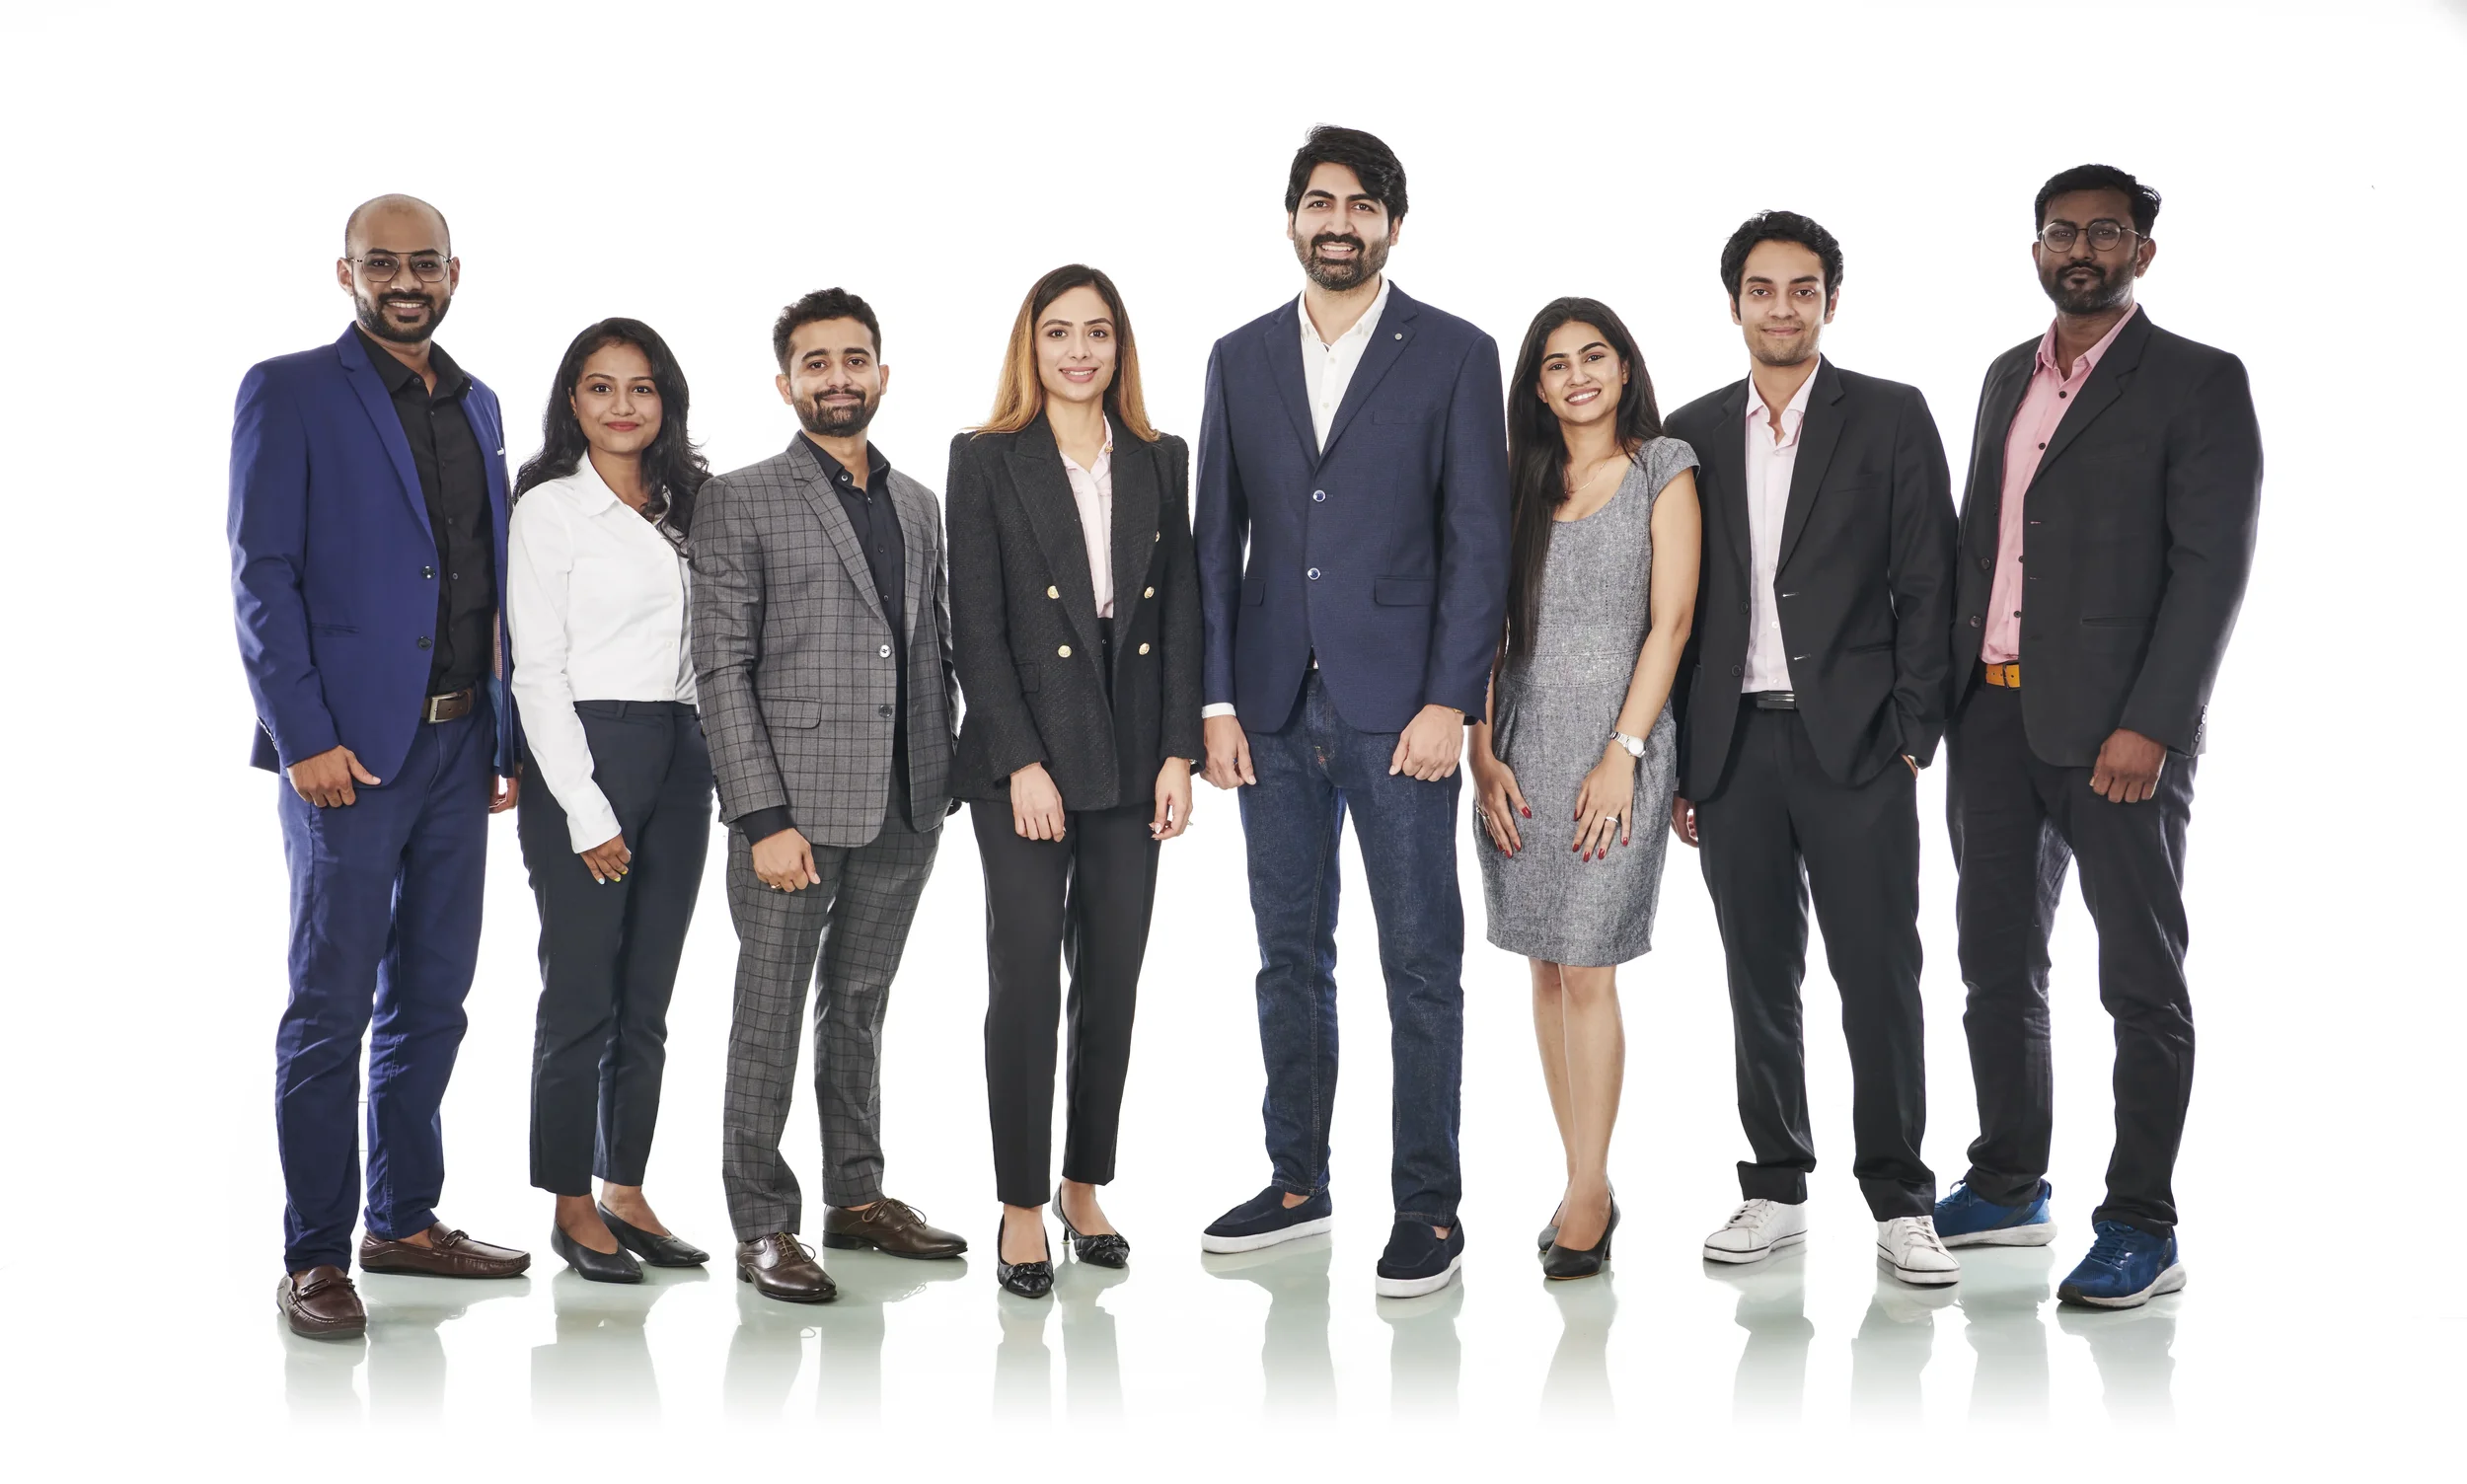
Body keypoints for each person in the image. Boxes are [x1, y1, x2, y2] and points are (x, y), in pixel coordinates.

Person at [1931, 166, 2261, 1308]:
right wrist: (1944, 698)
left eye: (2104, 232)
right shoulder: (1997, 379)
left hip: (2117, 736)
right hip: (1992, 716)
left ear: (2142, 253)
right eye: (2060, 232)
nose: (2080, 248)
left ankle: (2140, 1222)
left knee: (2139, 980)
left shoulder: (2197, 382)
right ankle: (2012, 1180)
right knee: (1992, 963)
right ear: (2034, 249)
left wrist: (2153, 724)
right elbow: (1982, 543)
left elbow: (2209, 569)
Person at [1193, 125, 1511, 1299]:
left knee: (1420, 962)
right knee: (1288, 955)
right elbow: (1212, 542)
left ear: (1391, 223)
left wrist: (1449, 703)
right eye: (1319, 202)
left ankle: (1427, 1205)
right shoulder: (1237, 356)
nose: (1340, 221)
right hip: (1269, 707)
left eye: (1362, 205)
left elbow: (1480, 542)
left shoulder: (1455, 353)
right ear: (1290, 219)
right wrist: (1216, 700)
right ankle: (1296, 1181)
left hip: (1401, 715)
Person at [232, 193, 531, 1340]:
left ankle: (403, 1218)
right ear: (345, 271)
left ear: (454, 271)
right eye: (381, 263)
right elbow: (263, 575)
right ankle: (313, 1254)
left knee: (435, 996)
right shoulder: (292, 388)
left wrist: (498, 735)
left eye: (423, 263)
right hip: (347, 757)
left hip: (460, 746)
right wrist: (302, 735)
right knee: (330, 1003)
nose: (404, 280)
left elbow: (482, 579)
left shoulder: (481, 402)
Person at [1664, 212, 1962, 1286]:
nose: (1780, 308)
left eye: (1801, 290)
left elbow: (1932, 580)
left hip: (1858, 749)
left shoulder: (1887, 417)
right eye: (1760, 289)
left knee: (1878, 973)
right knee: (1757, 976)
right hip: (1734, 749)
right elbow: (1673, 608)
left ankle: (1899, 1199)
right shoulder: (1687, 431)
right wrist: (1687, 762)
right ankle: (1774, 1186)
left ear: (1831, 301)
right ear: (1733, 301)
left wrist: (1912, 737)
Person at [693, 287, 968, 1305]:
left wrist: (946, 770)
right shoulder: (742, 497)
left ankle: (858, 1195)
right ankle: (763, 1223)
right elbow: (720, 666)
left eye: (855, 360)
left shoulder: (917, 503)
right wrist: (761, 816)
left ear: (882, 373)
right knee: (767, 1014)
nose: (838, 378)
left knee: (858, 1003)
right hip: (793, 814)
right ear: (786, 383)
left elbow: (930, 642)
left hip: (907, 800)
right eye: (817, 363)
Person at [944, 264, 1203, 1298]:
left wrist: (1179, 749)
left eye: (1098, 332)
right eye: (1060, 333)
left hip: (1135, 743)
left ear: (1119, 346)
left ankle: (1082, 1183)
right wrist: (1019, 761)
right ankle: (1017, 1203)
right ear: (1031, 346)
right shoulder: (986, 457)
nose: (1080, 351)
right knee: (1022, 981)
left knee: (1114, 978)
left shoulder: (1158, 455)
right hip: (1026, 752)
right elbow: (976, 622)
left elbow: (1181, 609)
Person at [1467, 299, 1700, 1283]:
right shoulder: (1515, 484)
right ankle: (1576, 1175)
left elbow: (1673, 621)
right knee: (1545, 968)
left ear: (1622, 366)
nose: (1577, 376)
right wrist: (1482, 750)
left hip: (1616, 743)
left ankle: (1590, 1191)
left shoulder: (1663, 465)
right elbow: (1486, 626)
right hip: (1518, 744)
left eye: (1593, 356)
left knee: (1592, 965)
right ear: (1535, 386)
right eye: (1556, 364)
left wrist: (1626, 750)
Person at [508, 319, 715, 1283]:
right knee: (583, 991)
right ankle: (570, 1201)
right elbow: (536, 670)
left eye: (641, 387)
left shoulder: (690, 502)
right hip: (588, 751)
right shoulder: (550, 509)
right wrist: (587, 813)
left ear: (665, 399)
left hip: (685, 750)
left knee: (650, 996)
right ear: (573, 402)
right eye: (601, 387)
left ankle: (625, 1186)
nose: (622, 405)